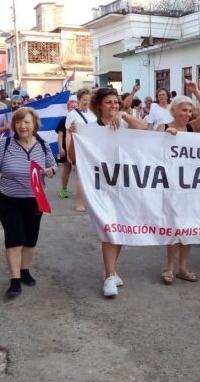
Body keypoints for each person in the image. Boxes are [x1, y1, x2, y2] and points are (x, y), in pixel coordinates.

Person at [68, 87, 146, 297]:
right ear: (99, 105)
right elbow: (73, 157)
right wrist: (73, 136)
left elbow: (144, 129)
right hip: (101, 187)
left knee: (118, 229)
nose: (113, 106)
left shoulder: (124, 123)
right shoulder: (89, 129)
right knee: (108, 230)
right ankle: (110, 276)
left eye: (116, 102)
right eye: (109, 102)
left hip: (124, 185)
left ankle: (110, 270)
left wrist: (124, 115)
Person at [0, 107, 57, 298]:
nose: (23, 126)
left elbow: (52, 165)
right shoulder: (4, 145)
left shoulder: (43, 145)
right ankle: (14, 281)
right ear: (14, 125)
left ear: (34, 124)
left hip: (35, 199)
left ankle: (25, 271)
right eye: (19, 122)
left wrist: (51, 171)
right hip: (9, 200)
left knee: (30, 239)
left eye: (27, 122)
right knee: (14, 238)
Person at [160, 80, 200, 285]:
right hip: (171, 185)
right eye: (184, 110)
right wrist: (165, 137)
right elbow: (150, 150)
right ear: (173, 110)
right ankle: (169, 267)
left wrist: (197, 93)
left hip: (192, 185)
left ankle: (183, 267)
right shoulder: (163, 127)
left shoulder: (192, 128)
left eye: (190, 110)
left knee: (188, 228)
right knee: (173, 227)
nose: (188, 114)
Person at [65, 88, 95, 212]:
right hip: (78, 147)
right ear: (78, 100)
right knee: (80, 176)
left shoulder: (94, 114)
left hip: (92, 148)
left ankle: (90, 202)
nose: (86, 102)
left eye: (88, 100)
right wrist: (69, 153)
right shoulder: (72, 115)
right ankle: (80, 203)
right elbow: (68, 134)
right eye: (84, 100)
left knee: (92, 176)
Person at [56, 99, 78, 198]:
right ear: (68, 108)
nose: (73, 109)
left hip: (78, 148)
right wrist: (61, 148)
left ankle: (82, 193)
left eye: (75, 107)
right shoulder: (63, 120)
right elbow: (60, 136)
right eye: (71, 107)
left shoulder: (81, 120)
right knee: (67, 169)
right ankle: (64, 189)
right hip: (66, 146)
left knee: (80, 171)